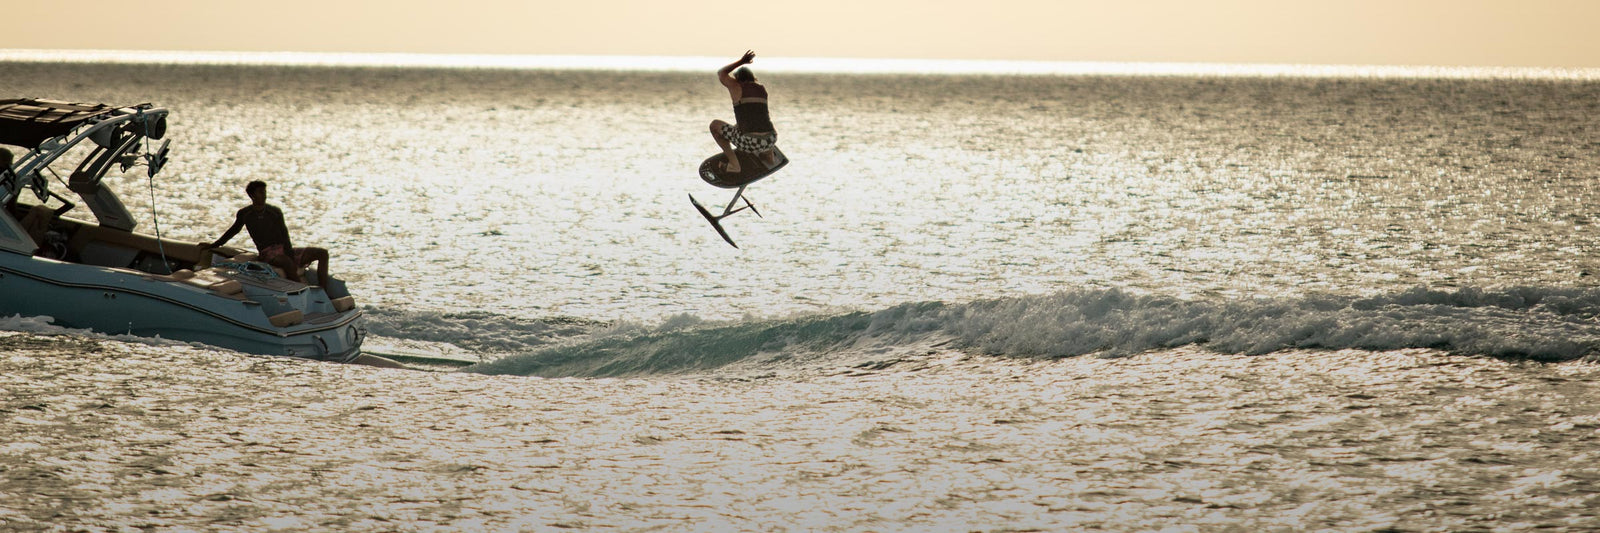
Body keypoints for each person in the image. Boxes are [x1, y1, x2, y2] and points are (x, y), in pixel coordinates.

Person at [202, 180, 331, 286]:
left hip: (283, 249)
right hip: (267, 253)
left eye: (265, 192)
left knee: (322, 253)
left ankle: (323, 290)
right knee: (287, 262)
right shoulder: (245, 214)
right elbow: (233, 231)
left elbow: (284, 233)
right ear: (252, 195)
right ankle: (304, 291)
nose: (264, 195)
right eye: (260, 192)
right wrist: (214, 244)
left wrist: (289, 252)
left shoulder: (274, 211)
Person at [709, 50, 778, 174]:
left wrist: (741, 62)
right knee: (754, 124)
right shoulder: (762, 89)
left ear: (737, 79)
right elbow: (754, 117)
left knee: (715, 125)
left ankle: (734, 165)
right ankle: (769, 157)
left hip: (750, 142)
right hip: (771, 139)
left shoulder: (736, 86)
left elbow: (721, 73)